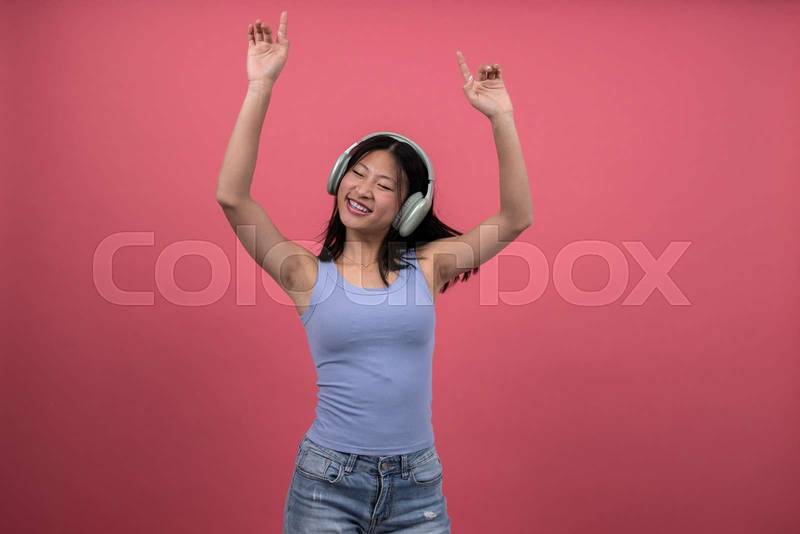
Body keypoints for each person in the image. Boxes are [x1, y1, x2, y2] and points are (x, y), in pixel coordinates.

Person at [215, 11, 534, 534]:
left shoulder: (428, 267)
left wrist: (501, 116)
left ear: (409, 208)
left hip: (417, 486)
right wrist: (260, 85)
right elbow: (232, 198)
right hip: (327, 482)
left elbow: (515, 218)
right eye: (357, 174)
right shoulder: (304, 275)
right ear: (338, 180)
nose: (364, 189)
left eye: (385, 185)